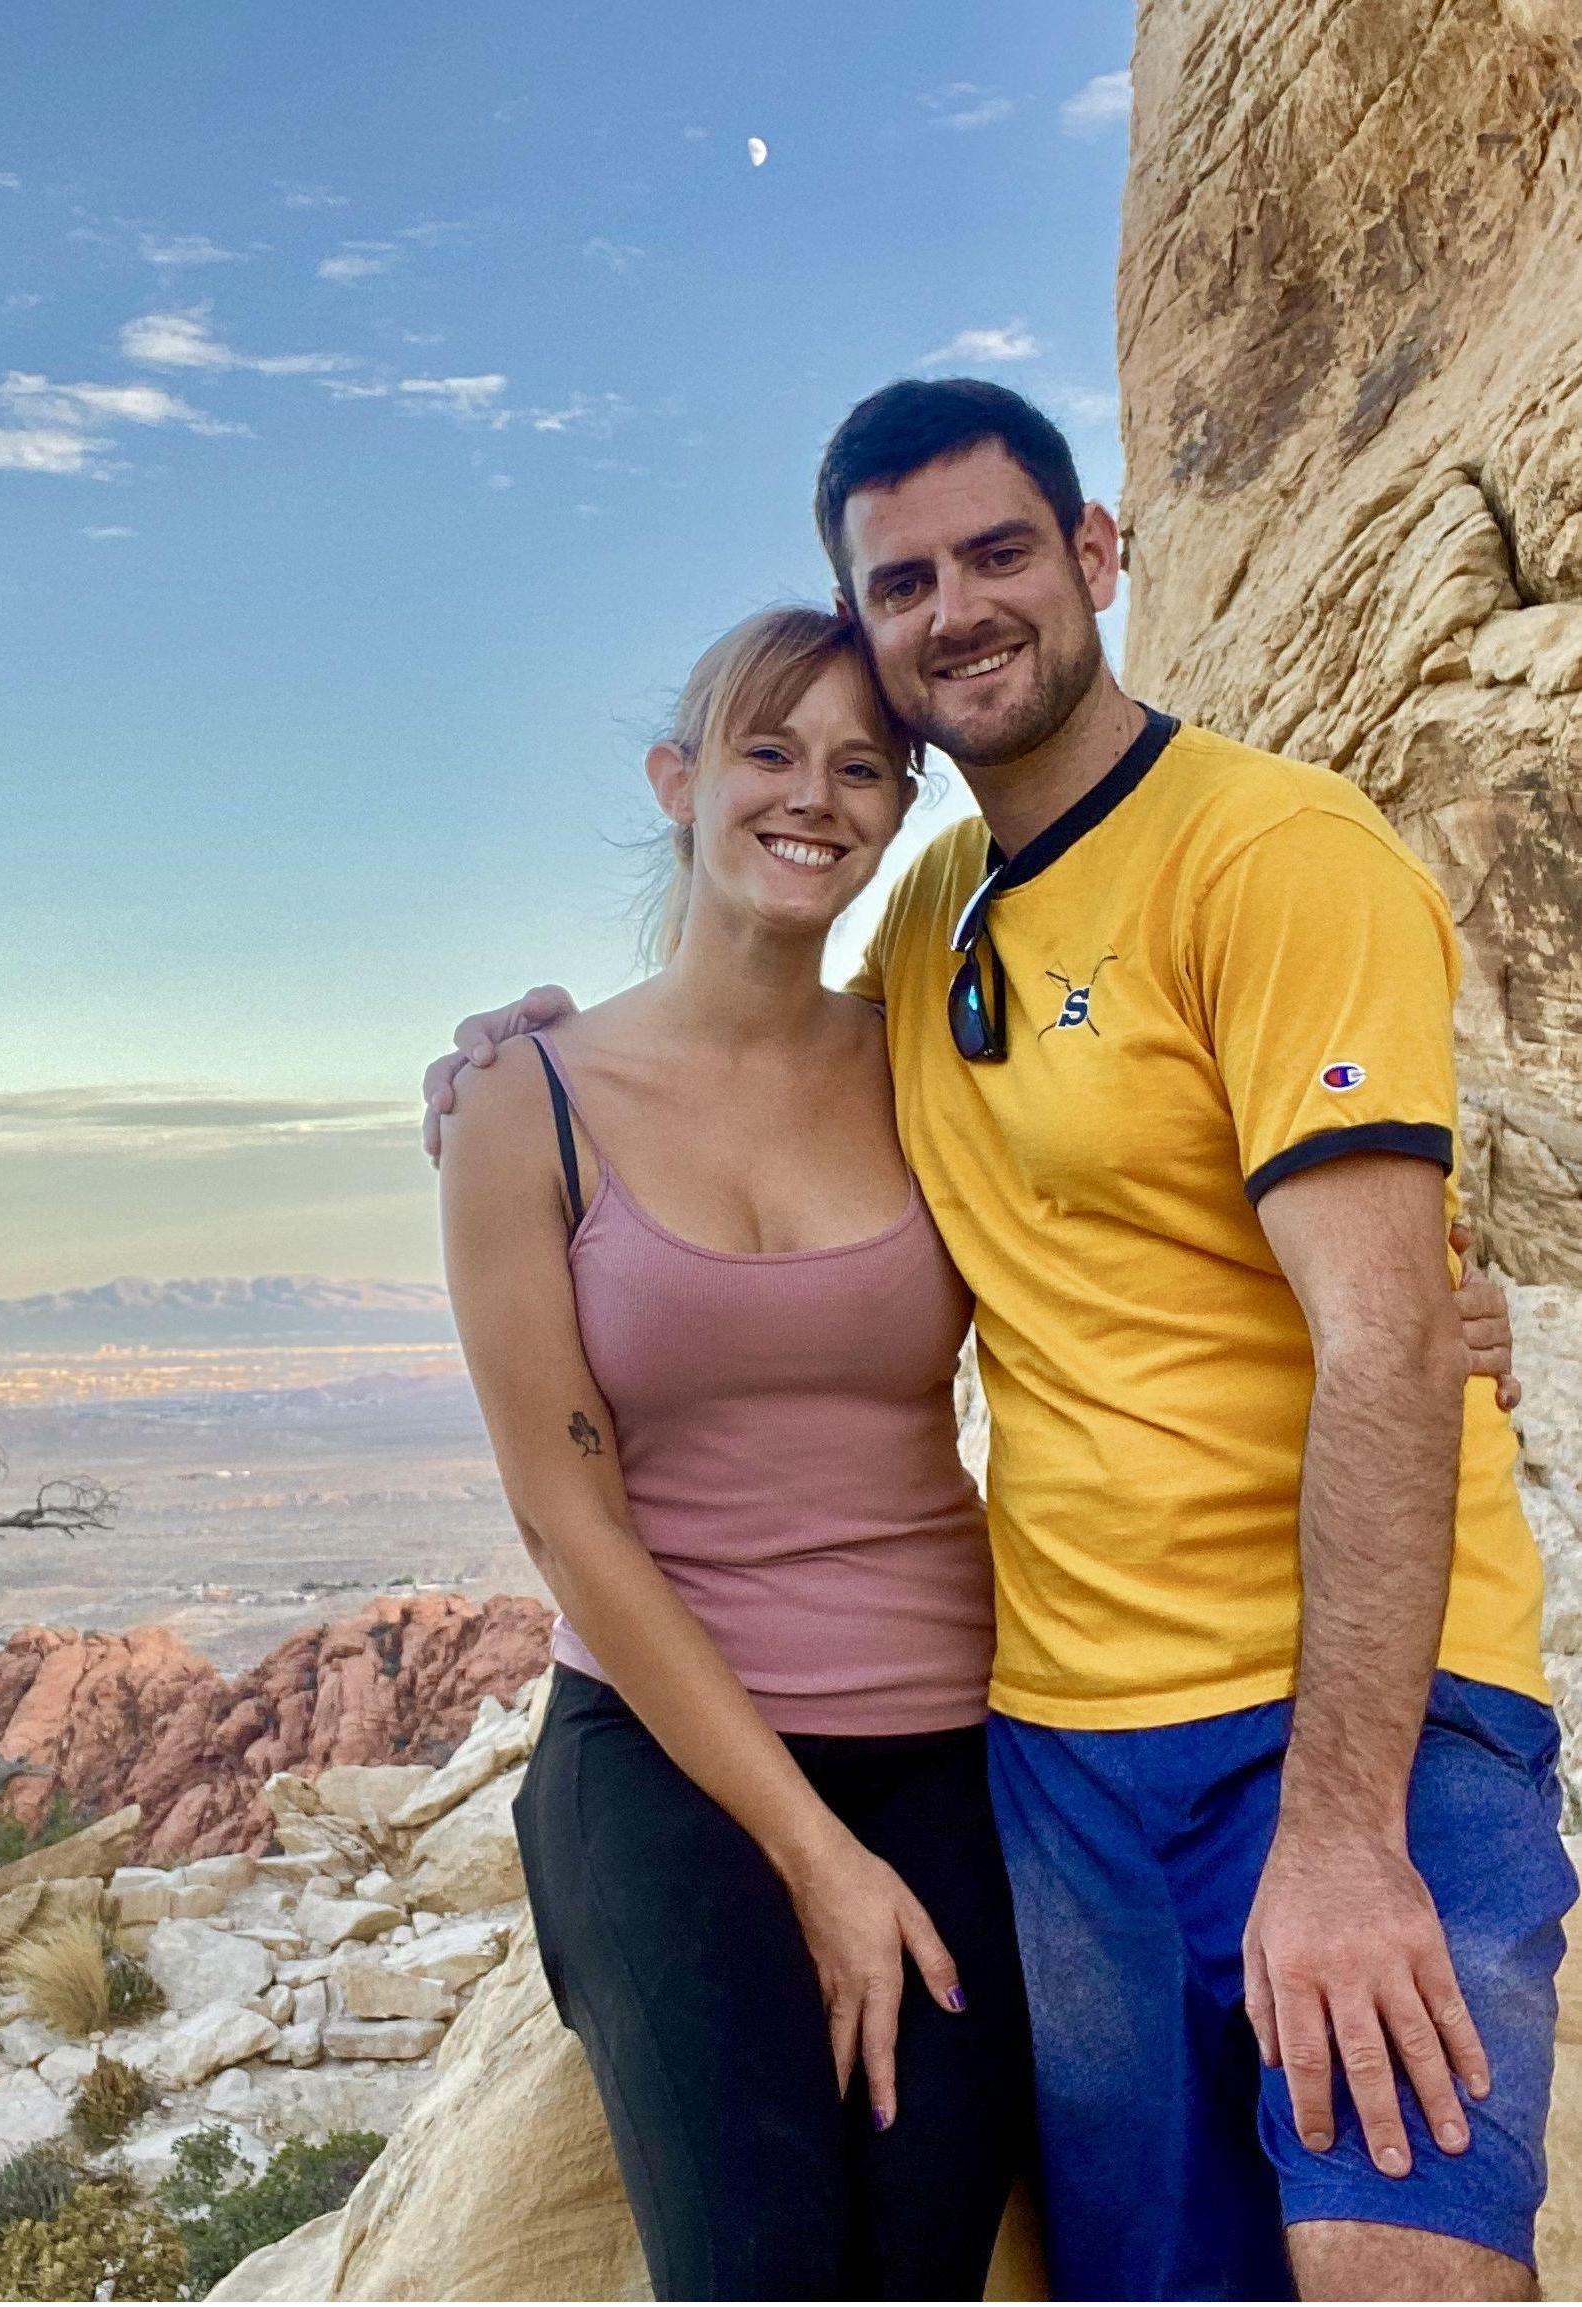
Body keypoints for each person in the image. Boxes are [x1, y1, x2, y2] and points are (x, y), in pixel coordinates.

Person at [424, 378, 1568, 2302]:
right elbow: (790, 1111)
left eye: (1000, 552)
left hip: (1294, 1709)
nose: (953, 608)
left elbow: (1368, 1322)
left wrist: (1351, 1827)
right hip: (1065, 1748)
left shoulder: (1265, 856)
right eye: (903, 580)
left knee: (1390, 2254)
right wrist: (505, 1062)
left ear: (1098, 555)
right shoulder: (939, 930)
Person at [439, 605, 1033, 2299]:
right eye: (770, 752)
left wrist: (1436, 1306)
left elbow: (1141, 1233)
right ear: (678, 781)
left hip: (951, 1737)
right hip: (662, 1755)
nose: (814, 797)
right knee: (763, 2266)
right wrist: (812, 1856)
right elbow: (568, 1521)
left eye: (864, 766)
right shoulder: (523, 1101)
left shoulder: (936, 1058)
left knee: (919, 2262)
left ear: (902, 806)